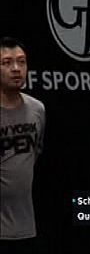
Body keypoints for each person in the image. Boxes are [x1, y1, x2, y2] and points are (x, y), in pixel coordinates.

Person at [0, 37, 46, 253]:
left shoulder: (37, 110)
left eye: (21, 61)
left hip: (25, 226)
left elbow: (34, 153)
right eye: (7, 63)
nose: (16, 69)